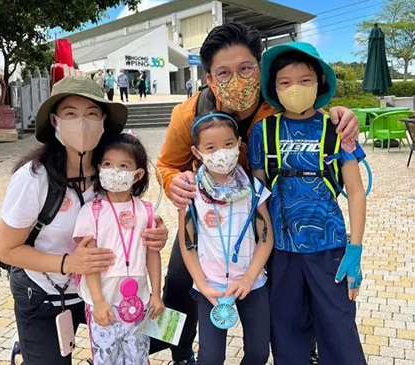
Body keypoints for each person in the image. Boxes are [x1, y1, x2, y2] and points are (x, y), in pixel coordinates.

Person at [153, 22, 360, 365]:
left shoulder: (277, 103)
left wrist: (340, 114)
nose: (236, 79)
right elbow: (166, 165)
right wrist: (172, 181)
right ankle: (174, 348)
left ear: (259, 69)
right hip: (208, 217)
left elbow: (312, 112)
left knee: (282, 283)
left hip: (262, 213)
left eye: (245, 68)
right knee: (177, 281)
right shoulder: (186, 115)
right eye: (223, 72)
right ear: (209, 79)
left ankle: (299, 349)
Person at [0, 76, 168, 365]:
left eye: (91, 113)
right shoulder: (33, 179)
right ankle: (30, 350)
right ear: (54, 121)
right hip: (45, 293)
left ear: (103, 120)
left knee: (152, 337)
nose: (82, 123)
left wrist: (154, 235)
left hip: (101, 291)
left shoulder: (111, 171)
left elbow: (132, 218)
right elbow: (6, 250)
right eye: (70, 114)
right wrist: (69, 263)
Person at [249, 42, 367, 365]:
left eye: (305, 80)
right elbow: (258, 196)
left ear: (320, 83)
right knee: (286, 335)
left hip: (329, 251)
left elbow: (356, 191)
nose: (295, 88)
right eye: (285, 82)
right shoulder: (263, 132)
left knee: (339, 331)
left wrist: (355, 248)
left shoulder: (338, 128)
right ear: (273, 88)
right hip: (282, 253)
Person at [179, 112, 273, 365]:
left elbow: (265, 237)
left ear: (239, 144)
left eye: (228, 144)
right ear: (197, 152)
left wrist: (250, 277)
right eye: (211, 147)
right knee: (210, 358)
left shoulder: (254, 188)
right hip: (211, 288)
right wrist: (202, 284)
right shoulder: (190, 193)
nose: (221, 152)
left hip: (252, 285)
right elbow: (187, 245)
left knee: (258, 353)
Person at [73, 132, 164, 364]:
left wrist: (156, 294)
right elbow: (89, 263)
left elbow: (152, 255)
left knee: (138, 357)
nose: (115, 171)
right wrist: (98, 301)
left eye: (123, 166)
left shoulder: (146, 210)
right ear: (99, 168)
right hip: (104, 304)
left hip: (140, 304)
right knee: (107, 359)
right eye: (108, 164)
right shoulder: (91, 212)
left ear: (138, 174)